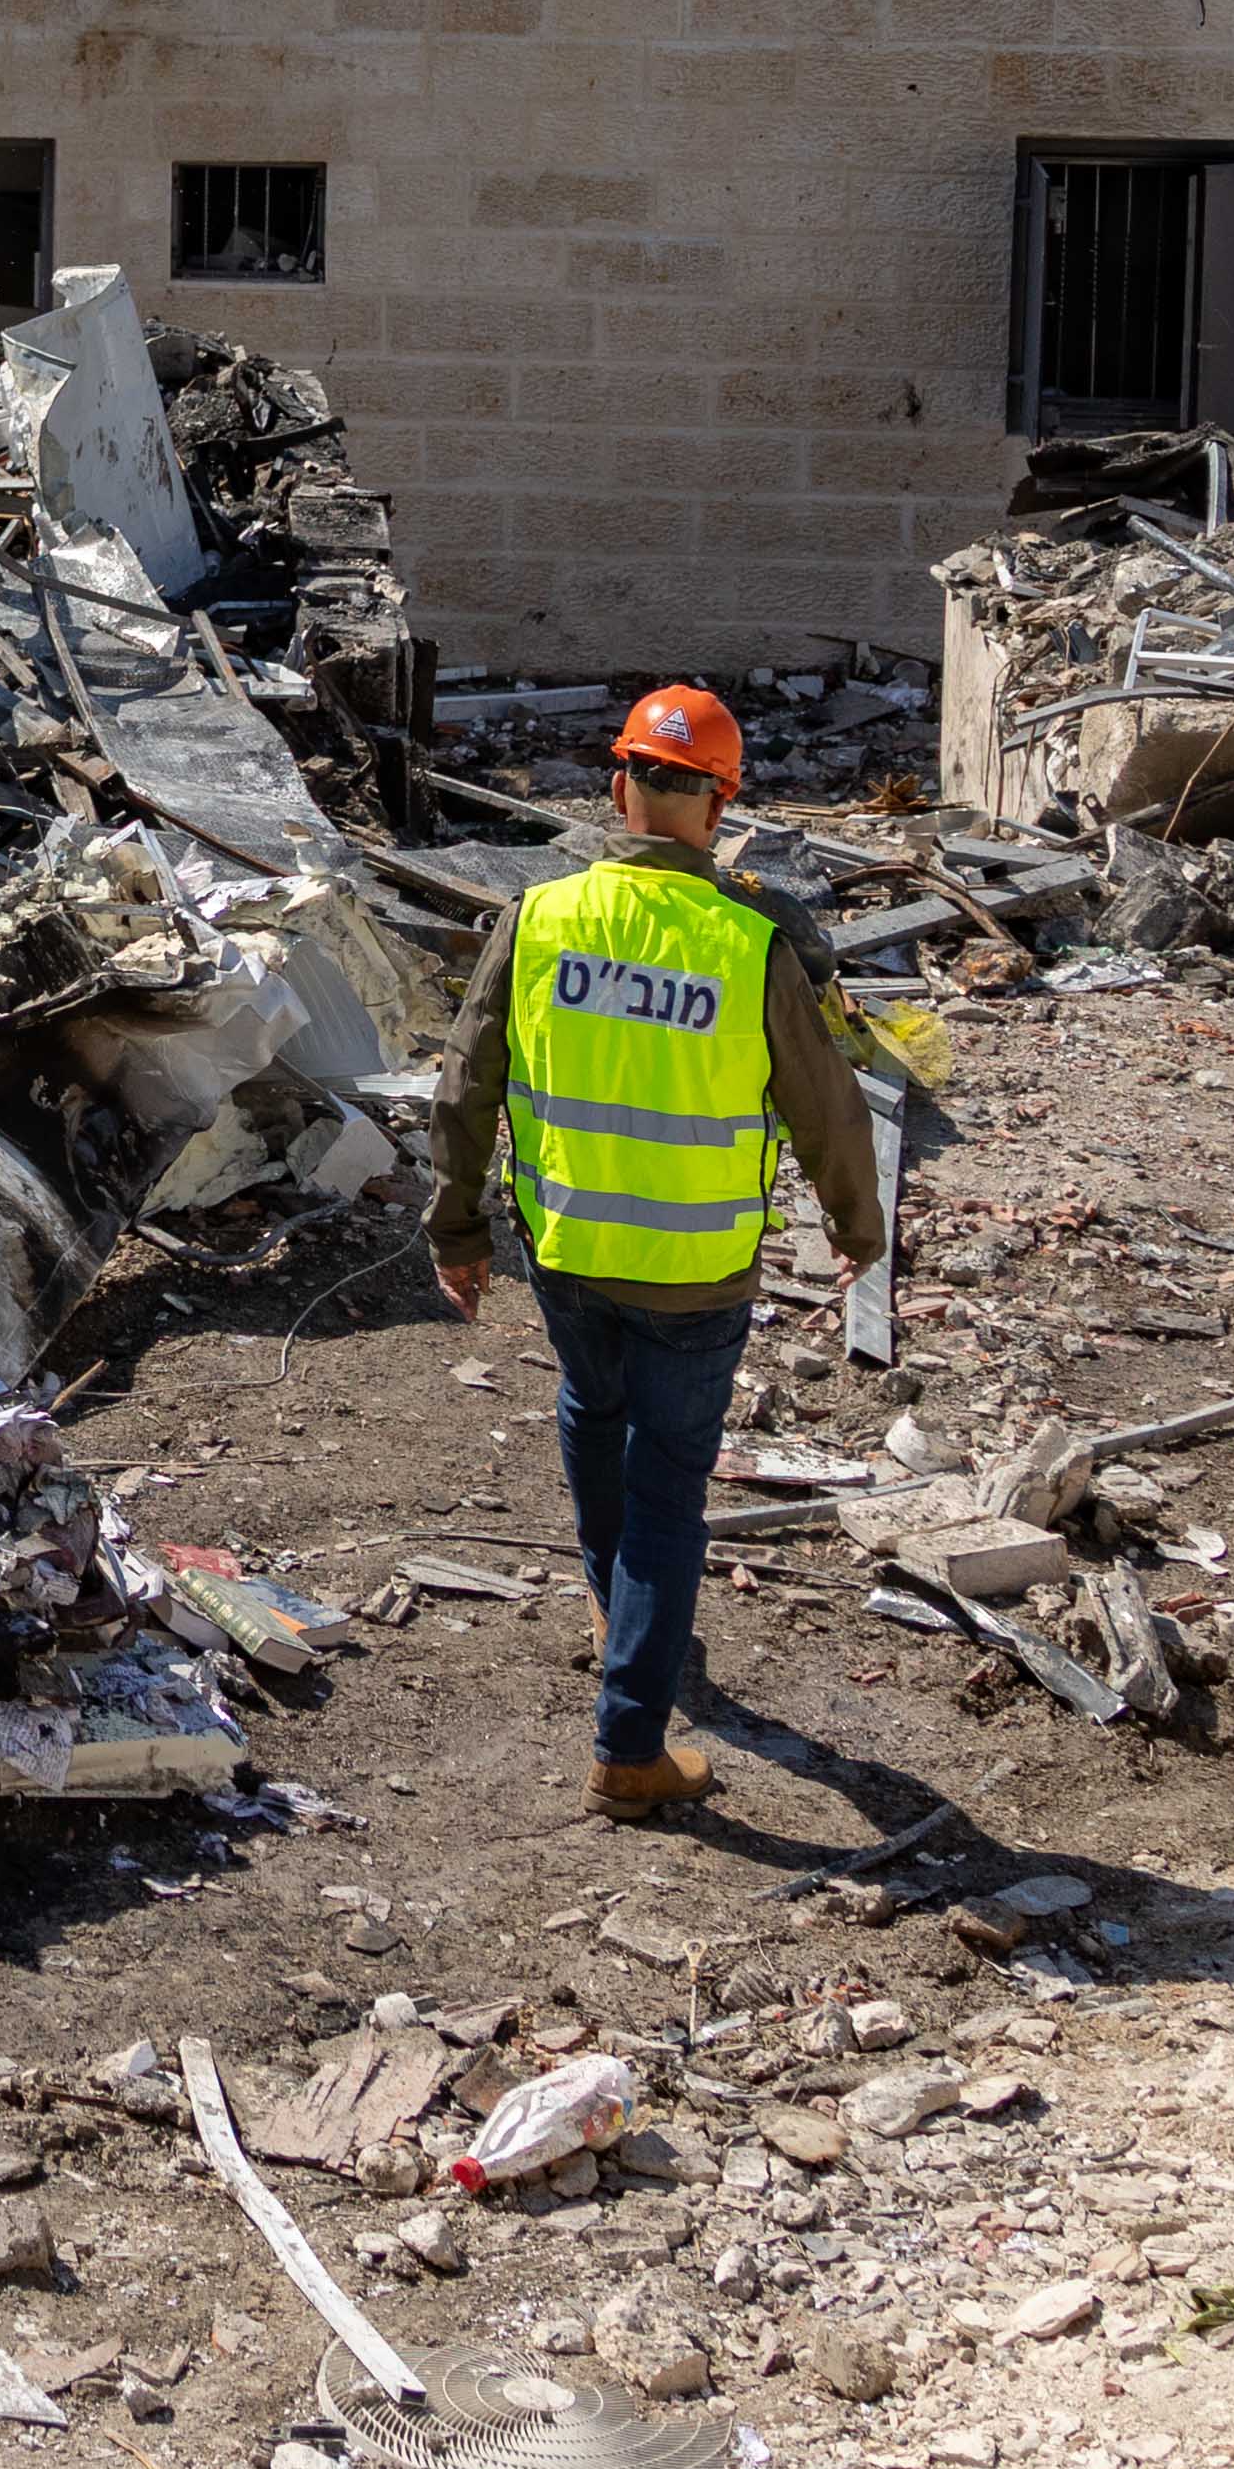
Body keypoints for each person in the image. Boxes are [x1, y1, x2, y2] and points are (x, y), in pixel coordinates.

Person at [427, 680, 888, 1817]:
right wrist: (855, 1228)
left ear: (618, 781)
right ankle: (627, 1746)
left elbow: (463, 1081)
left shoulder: (537, 920)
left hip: (569, 1247)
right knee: (668, 1490)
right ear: (718, 804)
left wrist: (454, 1225)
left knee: (593, 1411)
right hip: (694, 1269)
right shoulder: (749, 938)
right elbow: (827, 1103)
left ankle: (608, 1603)